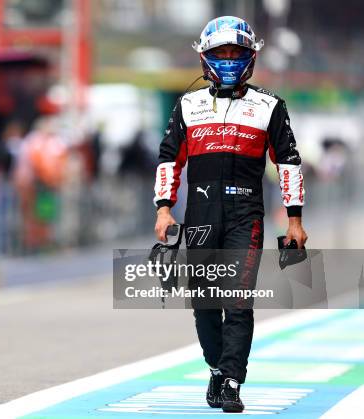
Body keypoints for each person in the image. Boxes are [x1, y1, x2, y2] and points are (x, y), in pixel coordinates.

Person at [153, 16, 308, 413]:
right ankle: (217, 369)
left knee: (237, 300)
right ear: (204, 58)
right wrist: (164, 209)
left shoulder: (270, 105)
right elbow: (170, 159)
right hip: (201, 216)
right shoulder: (187, 105)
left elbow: (288, 162)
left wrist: (294, 219)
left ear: (250, 56)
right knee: (204, 300)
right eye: (219, 52)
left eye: (234, 52)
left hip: (246, 215)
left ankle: (232, 381)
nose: (227, 59)